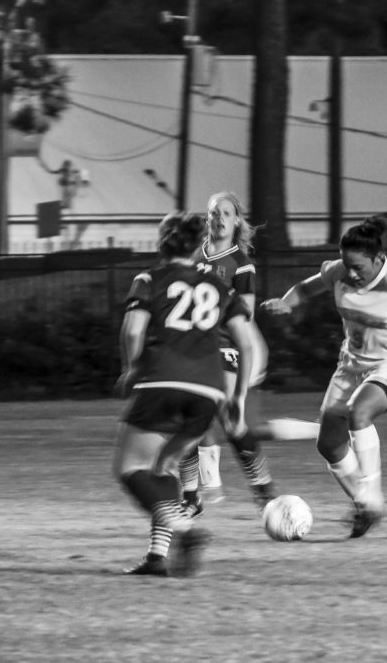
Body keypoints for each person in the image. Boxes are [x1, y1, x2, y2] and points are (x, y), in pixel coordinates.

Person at [261, 216, 387, 538]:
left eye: (358, 267)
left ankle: (372, 496)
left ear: (378, 259)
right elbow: (306, 289)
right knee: (329, 444)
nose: (350, 273)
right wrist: (286, 303)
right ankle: (365, 506)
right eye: (347, 265)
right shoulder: (338, 270)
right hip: (351, 365)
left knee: (358, 412)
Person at [115, 211, 257, 577]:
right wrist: (238, 398)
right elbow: (247, 344)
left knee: (130, 468)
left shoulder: (149, 278)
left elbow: (133, 331)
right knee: (164, 467)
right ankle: (157, 558)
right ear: (197, 247)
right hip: (207, 392)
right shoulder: (220, 287)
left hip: (162, 382)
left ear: (161, 242)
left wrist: (131, 368)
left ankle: (185, 529)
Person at [176, 191, 277, 514]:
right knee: (188, 422)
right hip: (189, 349)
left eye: (226, 213)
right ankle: (191, 498)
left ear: (236, 221)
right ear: (207, 219)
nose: (219, 218)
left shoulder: (240, 264)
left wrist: (207, 303)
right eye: (213, 213)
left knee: (232, 422)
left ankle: (264, 492)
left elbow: (245, 313)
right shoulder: (192, 256)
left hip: (222, 347)